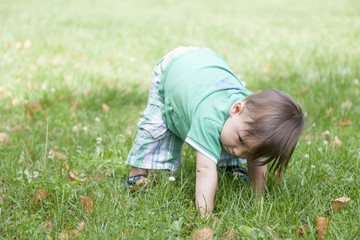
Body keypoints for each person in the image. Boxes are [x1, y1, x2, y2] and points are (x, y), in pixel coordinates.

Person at [126, 46, 304, 216]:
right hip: (174, 68)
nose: (239, 153)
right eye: (241, 141)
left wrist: (259, 198)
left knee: (231, 136)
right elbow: (204, 169)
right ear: (236, 109)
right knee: (155, 128)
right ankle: (137, 174)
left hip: (206, 67)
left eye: (247, 152)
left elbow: (258, 158)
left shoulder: (249, 119)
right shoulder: (208, 118)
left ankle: (229, 167)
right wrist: (205, 216)